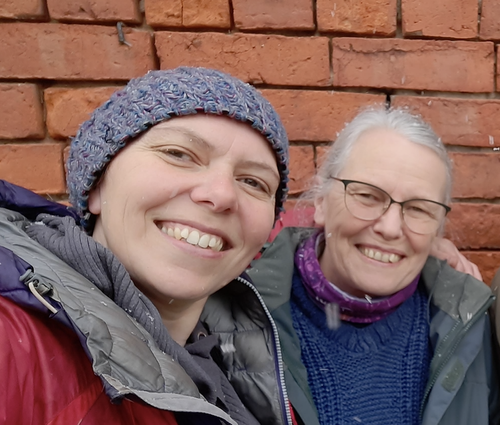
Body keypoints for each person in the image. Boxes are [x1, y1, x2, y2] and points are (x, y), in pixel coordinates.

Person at [0, 67, 294, 425]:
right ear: (96, 187)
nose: (221, 195)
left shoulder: (255, 375)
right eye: (179, 154)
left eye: (253, 182)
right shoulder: (12, 344)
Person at [248, 107, 499, 425]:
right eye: (367, 196)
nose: (390, 228)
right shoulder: (239, 313)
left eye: (419, 209)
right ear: (321, 203)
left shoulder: (468, 325)